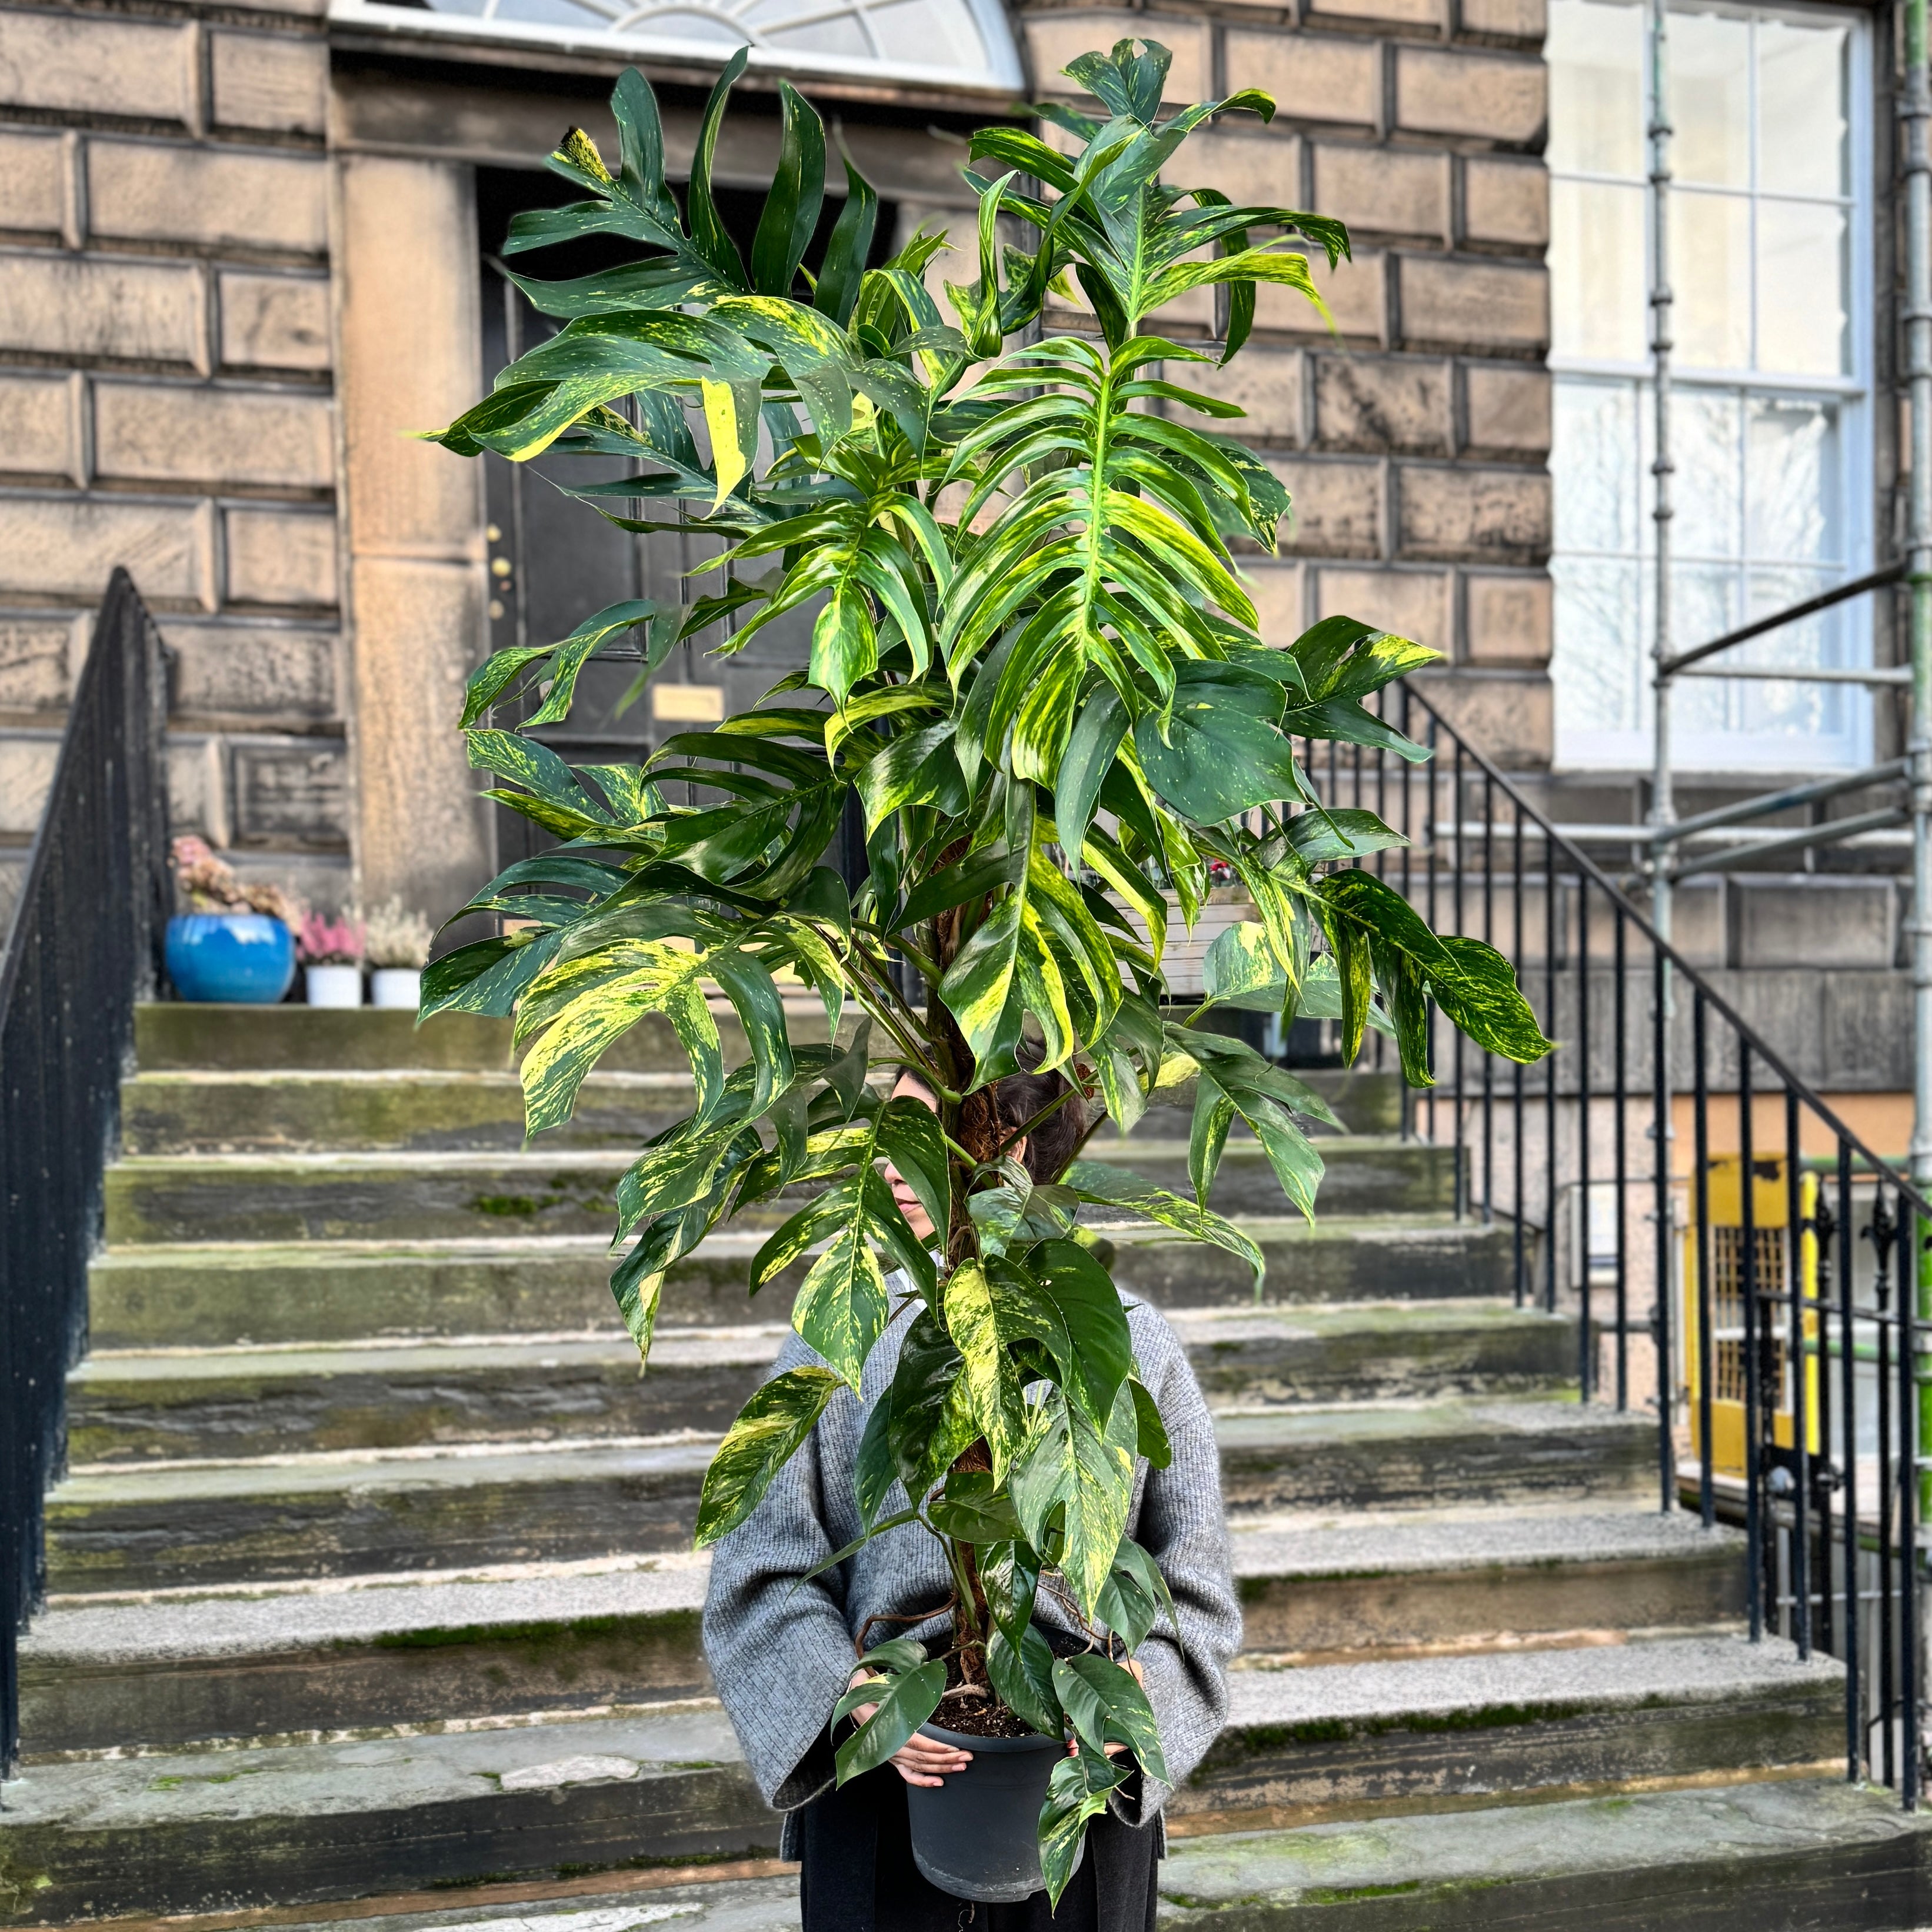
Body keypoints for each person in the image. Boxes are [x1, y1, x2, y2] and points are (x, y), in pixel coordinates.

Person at [702, 1053, 1241, 1931]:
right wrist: (848, 1694)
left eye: (924, 1135)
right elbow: (760, 1569)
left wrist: (1142, 1696)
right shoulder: (840, 1336)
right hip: (885, 1778)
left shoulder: (1128, 1343)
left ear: (1010, 1149)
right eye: (886, 1132)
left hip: (1080, 1786)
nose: (889, 1164)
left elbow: (1195, 1591)